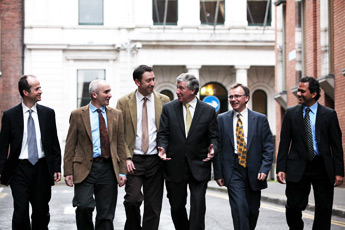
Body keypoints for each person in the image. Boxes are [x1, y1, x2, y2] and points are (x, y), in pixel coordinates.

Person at [276, 76, 344, 230]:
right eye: (298, 90)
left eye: (302, 91)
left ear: (313, 94)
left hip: (322, 166)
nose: (298, 94)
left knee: (324, 208)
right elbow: (284, 142)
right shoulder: (291, 113)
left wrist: (339, 171)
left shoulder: (329, 114)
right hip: (297, 165)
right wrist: (281, 167)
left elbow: (337, 145)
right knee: (293, 206)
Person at [157, 73, 219, 230]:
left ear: (193, 90)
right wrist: (162, 148)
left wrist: (213, 149)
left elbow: (214, 137)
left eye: (181, 88)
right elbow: (163, 134)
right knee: (177, 206)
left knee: (198, 205)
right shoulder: (168, 109)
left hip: (199, 164)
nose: (177, 91)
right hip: (174, 165)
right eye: (177, 87)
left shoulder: (208, 111)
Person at [64, 79, 128, 230]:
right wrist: (68, 171)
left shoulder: (116, 115)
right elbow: (70, 145)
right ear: (94, 94)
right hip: (84, 168)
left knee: (106, 215)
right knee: (84, 207)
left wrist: (123, 171)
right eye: (106, 92)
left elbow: (120, 144)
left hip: (108, 168)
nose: (110, 95)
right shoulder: (78, 115)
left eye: (110, 91)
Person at [0, 75, 61, 229]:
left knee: (41, 212)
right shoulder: (9, 115)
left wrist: (56, 167)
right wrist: (2, 171)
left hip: (42, 168)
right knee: (20, 212)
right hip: (19, 170)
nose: (41, 91)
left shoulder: (48, 113)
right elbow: (2, 146)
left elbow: (54, 143)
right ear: (25, 92)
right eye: (37, 89)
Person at [213, 83, 273, 230]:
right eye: (231, 96)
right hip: (233, 169)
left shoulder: (260, 119)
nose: (233, 99)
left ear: (246, 98)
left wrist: (265, 169)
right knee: (240, 208)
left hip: (255, 170)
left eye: (237, 96)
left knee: (252, 210)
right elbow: (218, 149)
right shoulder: (221, 119)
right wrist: (218, 173)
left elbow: (268, 147)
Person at [116, 65, 170, 230]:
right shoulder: (124, 102)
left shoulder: (164, 101)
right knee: (132, 200)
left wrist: (164, 148)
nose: (152, 83)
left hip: (155, 160)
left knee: (153, 207)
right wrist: (125, 157)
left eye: (153, 79)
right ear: (137, 82)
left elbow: (168, 131)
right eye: (148, 80)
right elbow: (118, 133)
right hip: (134, 160)